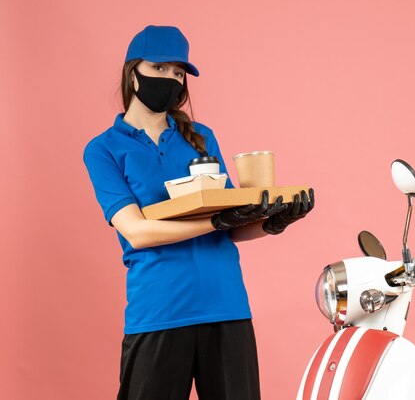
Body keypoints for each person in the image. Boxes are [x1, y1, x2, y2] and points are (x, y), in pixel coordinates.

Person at [82, 25, 314, 400]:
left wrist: (272, 223)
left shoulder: (201, 136)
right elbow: (137, 232)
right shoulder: (103, 149)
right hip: (159, 311)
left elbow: (230, 225)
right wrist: (215, 221)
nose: (171, 80)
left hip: (226, 307)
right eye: (161, 69)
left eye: (178, 73)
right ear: (133, 71)